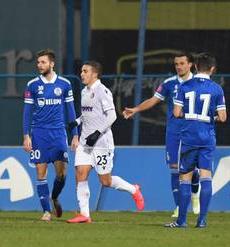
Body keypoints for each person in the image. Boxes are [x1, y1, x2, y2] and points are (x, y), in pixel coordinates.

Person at [123, 52, 200, 218]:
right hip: (174, 132)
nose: (179, 66)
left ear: (190, 64)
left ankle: (195, 194)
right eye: (176, 64)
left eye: (182, 63)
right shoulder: (169, 83)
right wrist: (135, 109)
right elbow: (153, 100)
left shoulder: (199, 83)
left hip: (194, 131)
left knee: (192, 170)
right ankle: (180, 207)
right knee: (174, 169)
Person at [66, 61, 145, 223]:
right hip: (85, 142)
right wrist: (77, 122)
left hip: (102, 143)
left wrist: (97, 133)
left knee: (105, 181)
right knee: (80, 174)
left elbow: (112, 116)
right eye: (81, 71)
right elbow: (89, 114)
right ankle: (85, 214)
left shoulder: (103, 91)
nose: (81, 74)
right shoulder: (84, 91)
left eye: (85, 71)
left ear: (95, 74)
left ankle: (133, 189)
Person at [165, 53, 227, 229]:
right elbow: (223, 116)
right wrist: (208, 116)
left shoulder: (184, 86)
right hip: (207, 138)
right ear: (212, 69)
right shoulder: (217, 89)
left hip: (188, 137)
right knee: (206, 177)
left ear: (195, 67)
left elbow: (176, 113)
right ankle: (202, 220)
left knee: (185, 178)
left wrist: (190, 116)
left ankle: (182, 220)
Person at [23, 49, 79, 221]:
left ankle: (54, 197)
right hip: (39, 133)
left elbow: (70, 111)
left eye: (43, 62)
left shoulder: (64, 84)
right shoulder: (32, 85)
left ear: (52, 64)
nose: (40, 65)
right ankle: (46, 211)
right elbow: (27, 112)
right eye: (38, 62)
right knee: (41, 172)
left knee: (61, 174)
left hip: (58, 133)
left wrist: (75, 134)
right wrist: (26, 135)